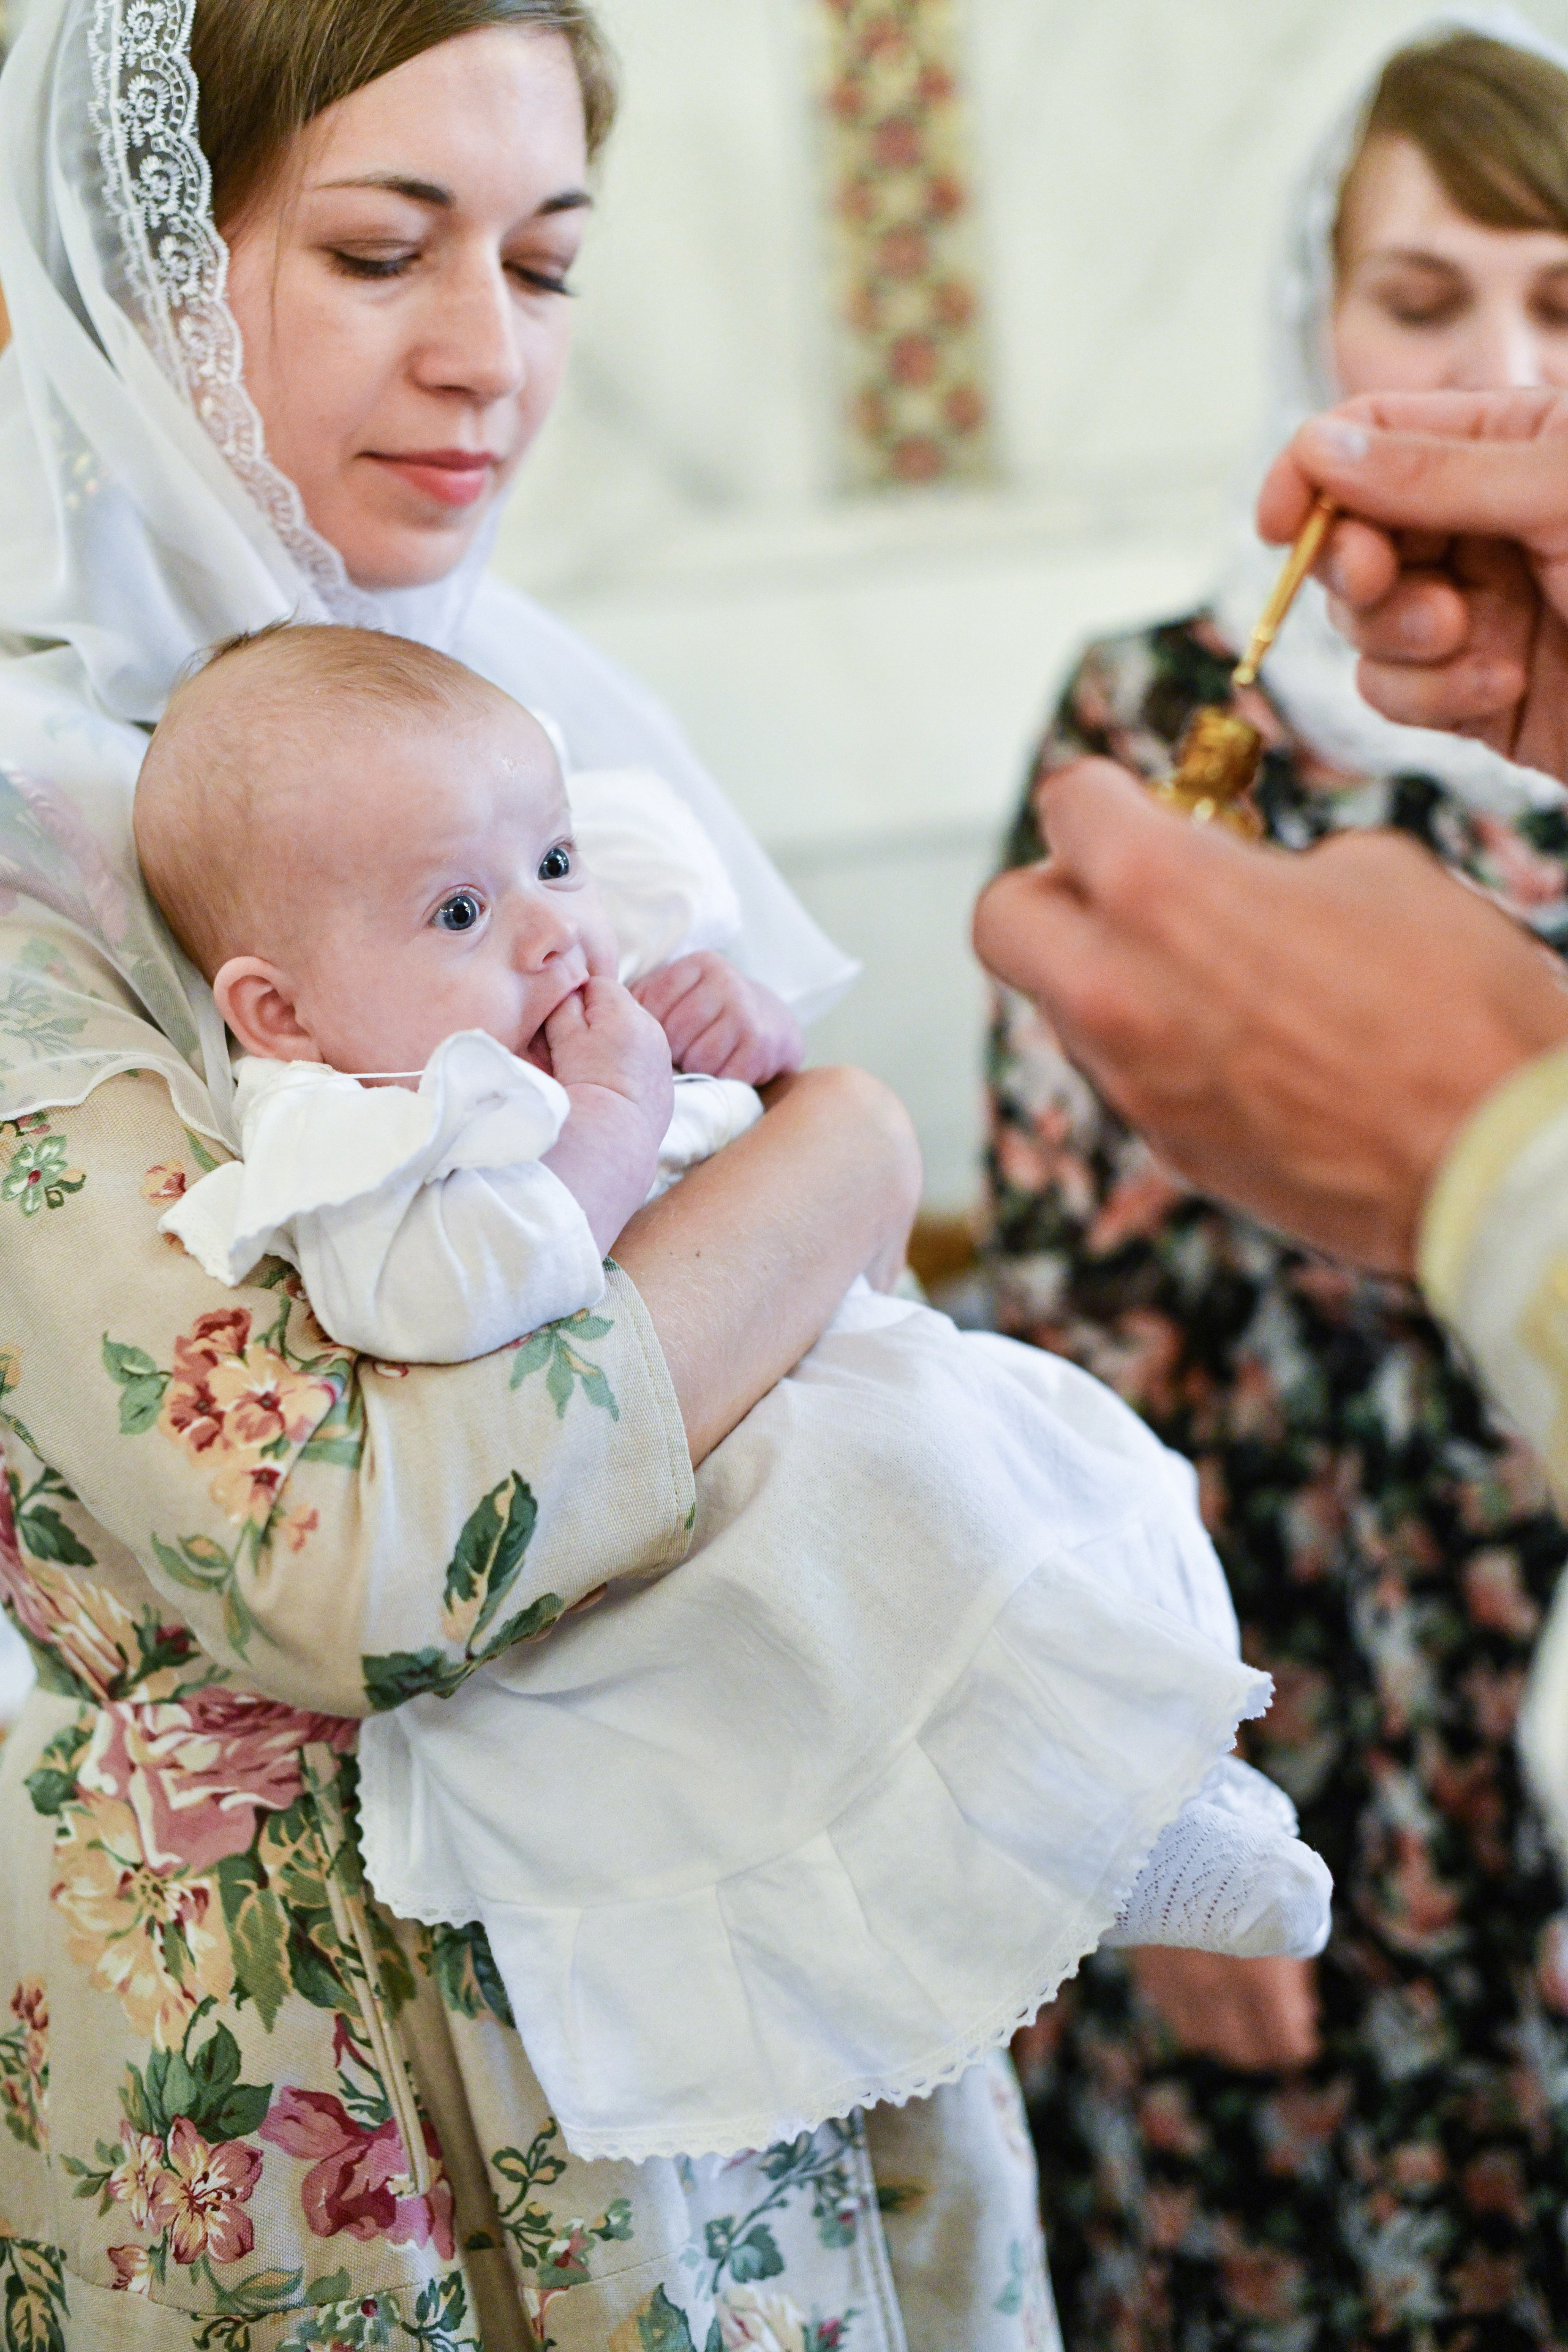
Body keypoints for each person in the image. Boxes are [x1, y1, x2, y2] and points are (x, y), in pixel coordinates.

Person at [0, 3, 1062, 2345]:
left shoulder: (531, 724)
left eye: (551, 263)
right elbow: (350, 1553)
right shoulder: (26, 835)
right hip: (321, 2076)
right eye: (386, 250)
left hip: (756, 1994)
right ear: (131, 267)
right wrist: (850, 1154)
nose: (490, 355)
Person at [130, 617, 1330, 2166]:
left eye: (554, 862)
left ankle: (1138, 1798)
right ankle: (1069, 1847)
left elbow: (740, 1132)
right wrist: (619, 1121)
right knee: (869, 1578)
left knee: (1044, 1469)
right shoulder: (352, 1138)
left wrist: (738, 1052)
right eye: (456, 907)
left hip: (783, 1373)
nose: (553, 935)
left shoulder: (531, 1018)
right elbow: (441, 1301)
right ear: (280, 1009)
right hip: (658, 1516)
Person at [983, 24, 1568, 2345]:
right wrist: (1155, 1802)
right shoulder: (1164, 719)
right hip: (1293, 1676)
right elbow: (1075, 1322)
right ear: (1311, 318)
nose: (1501, 363)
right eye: (1421, 301)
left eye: (1563, 300)